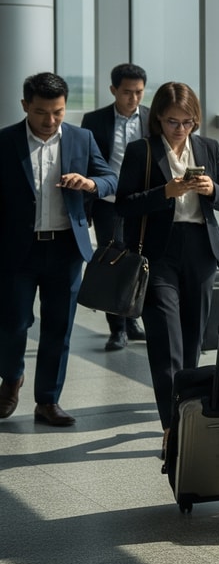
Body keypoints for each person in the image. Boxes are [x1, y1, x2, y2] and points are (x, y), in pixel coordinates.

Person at [115, 81, 219, 458]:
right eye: (172, 122)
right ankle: (173, 428)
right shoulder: (143, 151)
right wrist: (164, 193)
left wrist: (210, 189)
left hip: (201, 249)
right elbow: (123, 204)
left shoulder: (208, 148)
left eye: (187, 122)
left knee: (192, 339)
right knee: (166, 340)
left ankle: (187, 415)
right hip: (158, 253)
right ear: (158, 119)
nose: (180, 129)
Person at [1, 73, 117, 427]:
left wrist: (90, 183)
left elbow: (110, 178)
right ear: (25, 106)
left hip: (66, 249)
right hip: (17, 251)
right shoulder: (5, 142)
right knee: (12, 323)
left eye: (58, 112)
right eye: (41, 112)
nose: (50, 120)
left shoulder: (82, 138)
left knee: (58, 327)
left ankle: (48, 401)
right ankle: (12, 378)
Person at [80, 63, 149, 349]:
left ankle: (132, 319)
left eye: (139, 92)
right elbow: (86, 162)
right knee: (112, 259)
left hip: (143, 201)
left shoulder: (151, 118)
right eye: (127, 92)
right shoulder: (95, 120)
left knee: (139, 258)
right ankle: (117, 329)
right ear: (113, 90)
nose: (134, 98)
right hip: (108, 202)